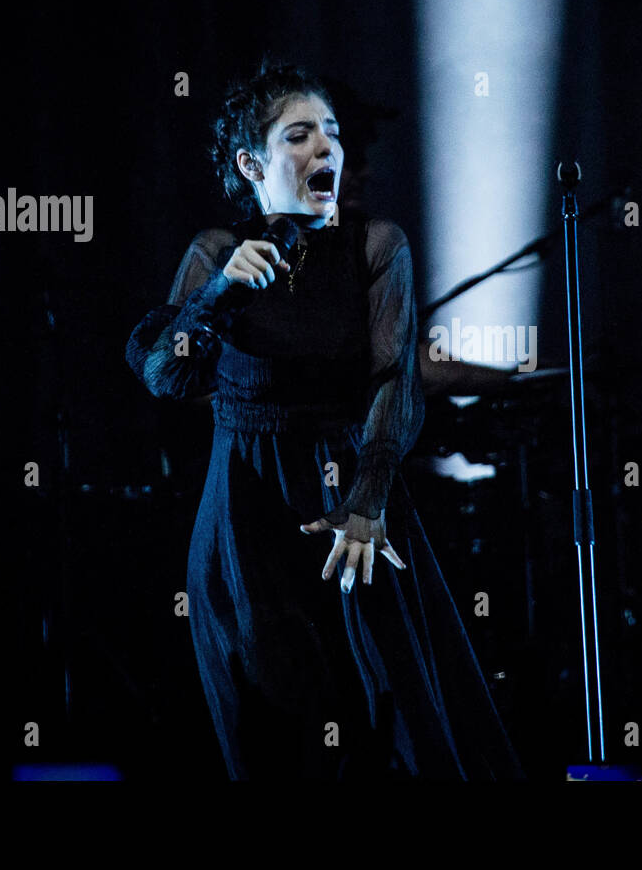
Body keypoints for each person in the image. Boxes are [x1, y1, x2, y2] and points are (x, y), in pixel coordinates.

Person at [124, 58, 525, 780]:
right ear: (252, 162)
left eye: (331, 134)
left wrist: (368, 503)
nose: (326, 150)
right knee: (281, 730)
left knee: (393, 719)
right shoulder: (218, 253)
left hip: (354, 503)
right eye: (300, 135)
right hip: (246, 513)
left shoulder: (377, 245)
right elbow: (164, 374)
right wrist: (217, 295)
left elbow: (393, 384)